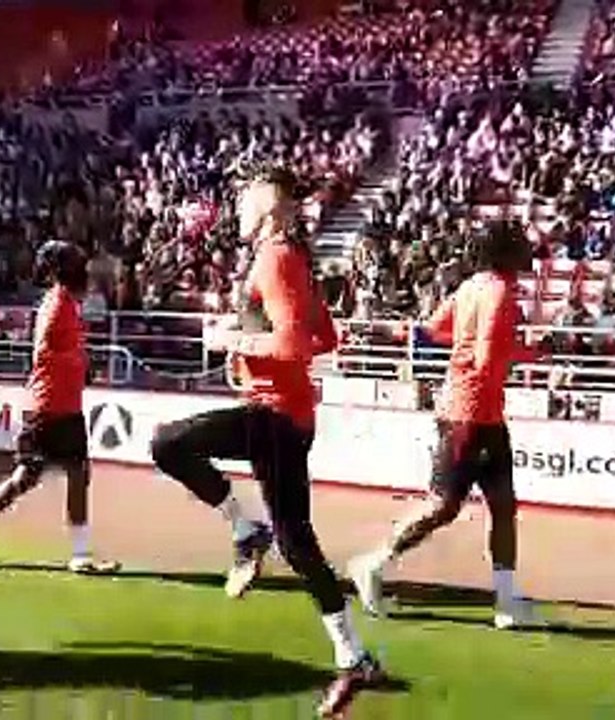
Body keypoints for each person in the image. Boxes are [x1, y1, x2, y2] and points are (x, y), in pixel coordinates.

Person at [149, 166, 384, 718]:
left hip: (275, 415)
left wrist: (229, 338)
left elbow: (297, 345)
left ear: (271, 208)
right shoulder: (291, 258)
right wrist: (249, 344)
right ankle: (355, 658)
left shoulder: (276, 258)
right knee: (298, 545)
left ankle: (244, 529)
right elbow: (328, 336)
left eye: (245, 198)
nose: (236, 208)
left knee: (168, 445)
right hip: (284, 416)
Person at [347, 219, 537, 631]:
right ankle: (372, 564)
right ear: (505, 251)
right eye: (519, 244)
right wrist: (528, 353)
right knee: (443, 506)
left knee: (503, 506)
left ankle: (507, 602)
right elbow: (487, 358)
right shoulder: (500, 291)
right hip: (470, 412)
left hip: (475, 410)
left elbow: (435, 328)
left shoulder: (471, 286)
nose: (526, 250)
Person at [0, 241, 119, 575]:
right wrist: (75, 359)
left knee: (67, 474)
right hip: (49, 404)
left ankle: (78, 553)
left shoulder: (67, 303)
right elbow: (45, 348)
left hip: (62, 404)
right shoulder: (57, 303)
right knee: (34, 475)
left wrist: (81, 363)